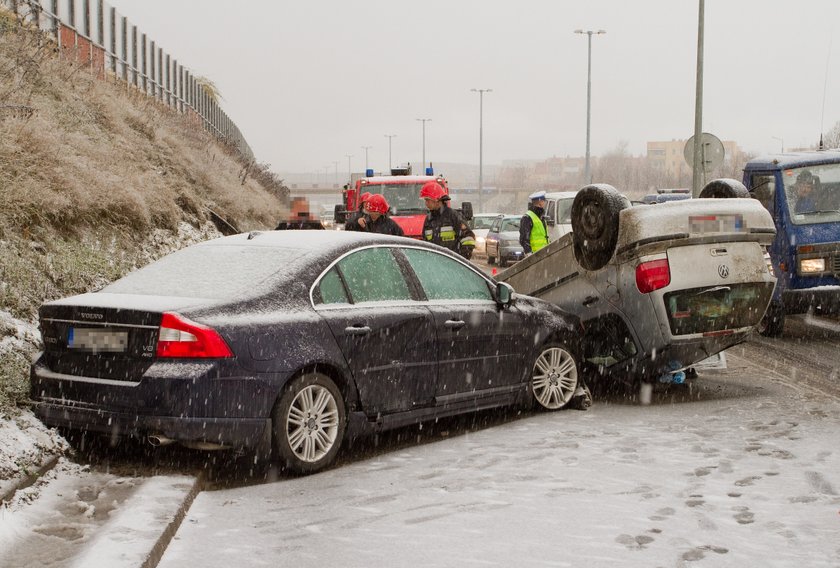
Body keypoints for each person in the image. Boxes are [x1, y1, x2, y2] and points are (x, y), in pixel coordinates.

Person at [420, 181, 475, 259]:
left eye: (427, 200)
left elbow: (468, 238)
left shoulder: (453, 216)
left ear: (437, 199)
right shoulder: (428, 220)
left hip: (452, 264)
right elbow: (425, 244)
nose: (426, 203)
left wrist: (461, 259)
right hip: (435, 265)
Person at [519, 190, 549, 255]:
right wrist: (528, 253)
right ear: (540, 202)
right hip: (534, 256)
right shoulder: (527, 217)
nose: (545, 203)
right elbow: (524, 238)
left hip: (544, 254)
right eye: (544, 201)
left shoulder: (541, 217)